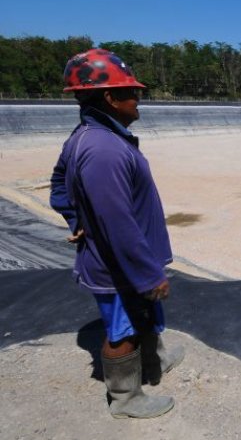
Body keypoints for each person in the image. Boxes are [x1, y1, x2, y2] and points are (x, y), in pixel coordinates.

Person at [50, 48, 184, 419]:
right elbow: (116, 222)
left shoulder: (92, 135)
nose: (138, 98)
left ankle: (154, 361)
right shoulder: (103, 149)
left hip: (127, 257)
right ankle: (126, 400)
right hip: (118, 264)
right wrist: (148, 274)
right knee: (121, 330)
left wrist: (74, 217)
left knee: (142, 316)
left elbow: (59, 184)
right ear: (110, 97)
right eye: (131, 91)